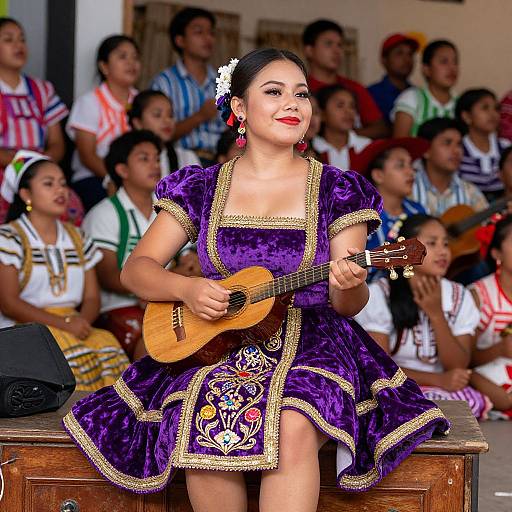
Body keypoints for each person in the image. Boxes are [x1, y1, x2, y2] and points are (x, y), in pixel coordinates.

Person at [62, 49, 448, 509]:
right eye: (274, 92)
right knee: (197, 408)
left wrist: (349, 282)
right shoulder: (200, 187)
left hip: (314, 337)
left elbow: (348, 305)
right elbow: (136, 270)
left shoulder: (338, 189)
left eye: (301, 94)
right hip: (214, 336)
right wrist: (187, 288)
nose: (293, 104)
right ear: (239, 107)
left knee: (293, 420)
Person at [0, 150, 130, 391]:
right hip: (27, 331)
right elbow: (9, 303)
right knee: (73, 360)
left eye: (62, 183)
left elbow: (92, 297)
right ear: (26, 194)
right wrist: (65, 324)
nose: (61, 191)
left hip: (74, 324)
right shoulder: (8, 238)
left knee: (108, 349)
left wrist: (81, 321)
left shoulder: (77, 237)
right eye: (48, 184)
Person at [356, 214, 492, 419]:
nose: (443, 251)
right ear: (406, 250)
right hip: (394, 386)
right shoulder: (380, 293)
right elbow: (380, 368)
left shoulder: (459, 295)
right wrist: (438, 379)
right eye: (432, 243)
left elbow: (457, 365)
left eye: (445, 243)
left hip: (443, 390)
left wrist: (436, 315)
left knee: (470, 401)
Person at [82, 130, 162, 360]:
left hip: (166, 302)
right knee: (153, 346)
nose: (155, 165)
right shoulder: (103, 214)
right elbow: (108, 276)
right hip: (118, 308)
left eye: (157, 158)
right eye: (143, 158)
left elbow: (191, 263)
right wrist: (163, 284)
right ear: (122, 169)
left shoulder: (168, 210)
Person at [0, 17, 83, 225]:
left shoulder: (42, 90)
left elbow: (57, 143)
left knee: (71, 207)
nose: (18, 46)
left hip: (38, 169)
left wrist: (38, 166)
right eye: (8, 40)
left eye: (22, 39)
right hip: (4, 169)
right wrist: (21, 165)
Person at [66, 35, 140, 210]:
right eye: (122, 57)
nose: (131, 63)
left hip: (134, 180)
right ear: (104, 66)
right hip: (94, 178)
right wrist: (115, 179)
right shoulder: (89, 102)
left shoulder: (142, 101)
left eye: (135, 57)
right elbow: (87, 155)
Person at [150, 7, 225, 163]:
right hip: (180, 162)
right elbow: (154, 135)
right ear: (180, 40)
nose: (208, 39)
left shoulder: (225, 82)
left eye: (211, 33)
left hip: (222, 163)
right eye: (199, 32)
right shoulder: (164, 83)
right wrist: (200, 116)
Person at [303, 19, 387, 139]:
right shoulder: (299, 88)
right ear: (309, 50)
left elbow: (380, 128)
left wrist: (344, 136)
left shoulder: (354, 88)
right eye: (328, 44)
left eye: (340, 45)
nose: (337, 51)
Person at [351, 137, 428, 252]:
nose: (411, 172)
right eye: (400, 165)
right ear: (378, 175)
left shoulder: (417, 211)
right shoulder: (361, 217)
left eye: (411, 165)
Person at [469, 216, 512, 418]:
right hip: (487, 380)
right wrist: (501, 349)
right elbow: (465, 359)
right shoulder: (480, 296)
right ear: (497, 253)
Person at [412, 117, 488, 216]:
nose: (456, 151)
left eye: (459, 144)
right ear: (426, 151)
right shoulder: (407, 188)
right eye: (447, 143)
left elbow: (487, 227)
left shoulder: (471, 193)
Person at [393, 40, 458, 137]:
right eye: (444, 62)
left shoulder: (461, 104)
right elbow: (399, 146)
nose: (452, 68)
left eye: (455, 62)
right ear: (426, 69)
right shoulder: (411, 99)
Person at [128, 90, 200, 177]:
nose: (167, 120)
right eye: (157, 115)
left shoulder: (187, 158)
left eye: (170, 115)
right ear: (138, 123)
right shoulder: (127, 159)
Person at [455, 88, 510, 200]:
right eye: (485, 108)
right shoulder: (456, 150)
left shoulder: (506, 148)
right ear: (466, 116)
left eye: (496, 109)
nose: (493, 114)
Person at [312, 84, 371, 169]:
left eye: (352, 106)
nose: (348, 111)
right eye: (340, 105)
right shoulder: (312, 147)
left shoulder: (367, 147)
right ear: (322, 114)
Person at [368, 33, 419, 124]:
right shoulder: (370, 94)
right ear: (384, 60)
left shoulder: (418, 94)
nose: (407, 59)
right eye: (399, 53)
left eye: (410, 54)